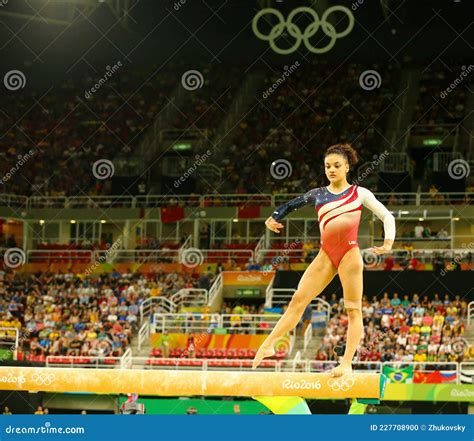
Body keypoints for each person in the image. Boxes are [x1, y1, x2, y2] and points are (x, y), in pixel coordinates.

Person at [252, 144, 395, 377]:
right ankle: (269, 344)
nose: (331, 169)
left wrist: (388, 242)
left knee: (353, 310)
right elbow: (290, 205)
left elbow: (386, 215)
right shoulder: (318, 194)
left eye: (337, 165)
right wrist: (273, 218)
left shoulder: (359, 193)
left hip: (350, 255)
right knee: (298, 299)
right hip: (326, 254)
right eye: (328, 166)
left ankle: (346, 363)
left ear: (347, 167)